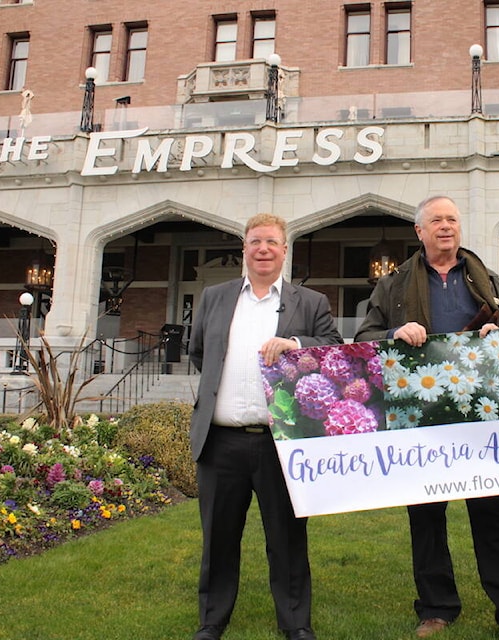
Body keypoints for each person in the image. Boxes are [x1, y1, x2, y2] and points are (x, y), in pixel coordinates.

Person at [355, 195, 499, 640]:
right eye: (436, 220)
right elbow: (364, 337)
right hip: (421, 416)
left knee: (495, 514)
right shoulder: (394, 285)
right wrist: (395, 333)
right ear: (419, 232)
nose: (445, 227)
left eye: (452, 220)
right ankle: (436, 608)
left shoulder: (489, 280)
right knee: (426, 516)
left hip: (481, 414)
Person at [188, 213, 343, 640]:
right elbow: (201, 353)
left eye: (272, 242)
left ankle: (296, 623)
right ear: (244, 248)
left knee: (288, 539)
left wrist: (295, 345)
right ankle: (211, 622)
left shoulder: (310, 303)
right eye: (256, 241)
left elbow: (332, 349)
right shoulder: (215, 297)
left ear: (284, 250)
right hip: (221, 442)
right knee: (218, 540)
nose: (263, 249)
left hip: (282, 443)